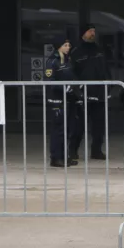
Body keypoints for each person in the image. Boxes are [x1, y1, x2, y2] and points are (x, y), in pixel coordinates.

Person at [69, 24, 109, 160]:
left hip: (99, 93)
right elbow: (71, 72)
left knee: (99, 125)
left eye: (94, 31)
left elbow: (106, 70)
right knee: (78, 125)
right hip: (82, 94)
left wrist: (109, 86)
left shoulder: (100, 50)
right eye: (89, 31)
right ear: (83, 34)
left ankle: (96, 151)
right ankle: (72, 150)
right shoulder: (76, 51)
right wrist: (76, 90)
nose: (92, 33)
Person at [45, 39, 79, 167]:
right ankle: (55, 158)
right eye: (65, 45)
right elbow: (49, 81)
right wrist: (64, 87)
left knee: (67, 129)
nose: (68, 47)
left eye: (69, 45)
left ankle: (65, 156)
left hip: (68, 99)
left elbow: (71, 76)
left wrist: (76, 87)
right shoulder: (52, 61)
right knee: (58, 130)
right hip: (57, 100)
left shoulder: (67, 60)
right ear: (58, 47)